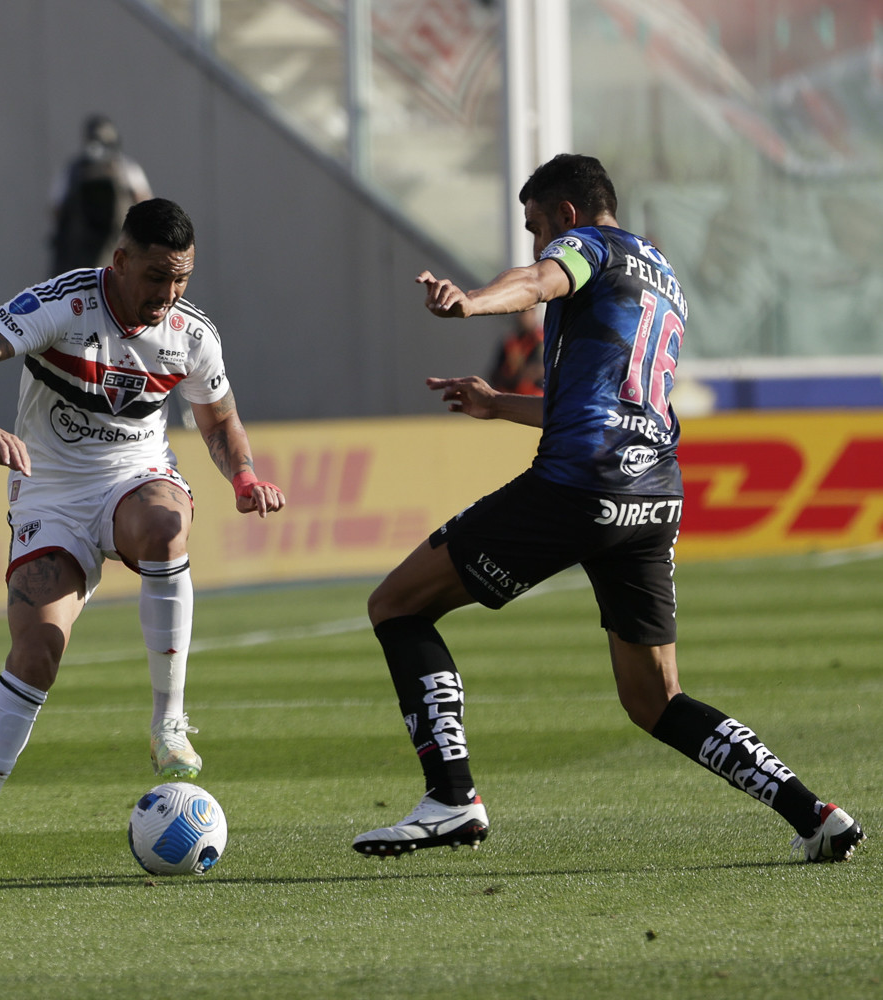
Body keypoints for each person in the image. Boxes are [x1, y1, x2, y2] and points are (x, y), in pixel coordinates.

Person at [352, 154, 863, 864]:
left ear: (565, 214)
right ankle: (814, 814)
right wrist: (501, 405)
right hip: (652, 495)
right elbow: (610, 402)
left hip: (579, 486)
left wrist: (470, 301)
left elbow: (536, 282)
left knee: (398, 605)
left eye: (536, 227)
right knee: (656, 699)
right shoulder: (665, 276)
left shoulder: (585, 245)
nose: (535, 245)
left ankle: (451, 798)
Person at [0, 197, 285, 881]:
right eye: (156, 277)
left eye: (181, 279)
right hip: (51, 491)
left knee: (165, 522)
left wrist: (243, 476)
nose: (168, 295)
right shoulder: (62, 305)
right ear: (118, 262)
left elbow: (217, 418)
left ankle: (168, 723)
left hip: (135, 476)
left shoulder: (190, 333)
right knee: (36, 655)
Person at [49, 114, 154, 274]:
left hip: (116, 244)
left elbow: (144, 203)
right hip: (82, 249)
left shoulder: (126, 168)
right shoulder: (73, 170)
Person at [486, 308, 543, 395]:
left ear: (533, 313)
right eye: (518, 313)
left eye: (524, 313)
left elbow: (539, 369)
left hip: (533, 397)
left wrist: (517, 376)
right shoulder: (510, 341)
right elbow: (495, 373)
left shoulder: (541, 339)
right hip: (508, 395)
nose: (520, 317)